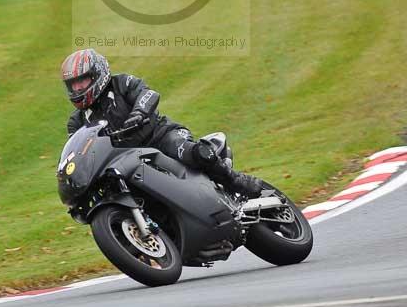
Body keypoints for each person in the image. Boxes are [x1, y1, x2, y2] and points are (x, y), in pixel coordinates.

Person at [61, 48, 263, 199]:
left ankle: (236, 181)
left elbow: (147, 93)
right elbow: (80, 150)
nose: (77, 88)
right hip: (123, 161)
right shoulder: (76, 121)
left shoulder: (121, 83)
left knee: (195, 153)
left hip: (159, 137)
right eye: (73, 85)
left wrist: (139, 113)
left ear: (97, 74)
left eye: (82, 81)